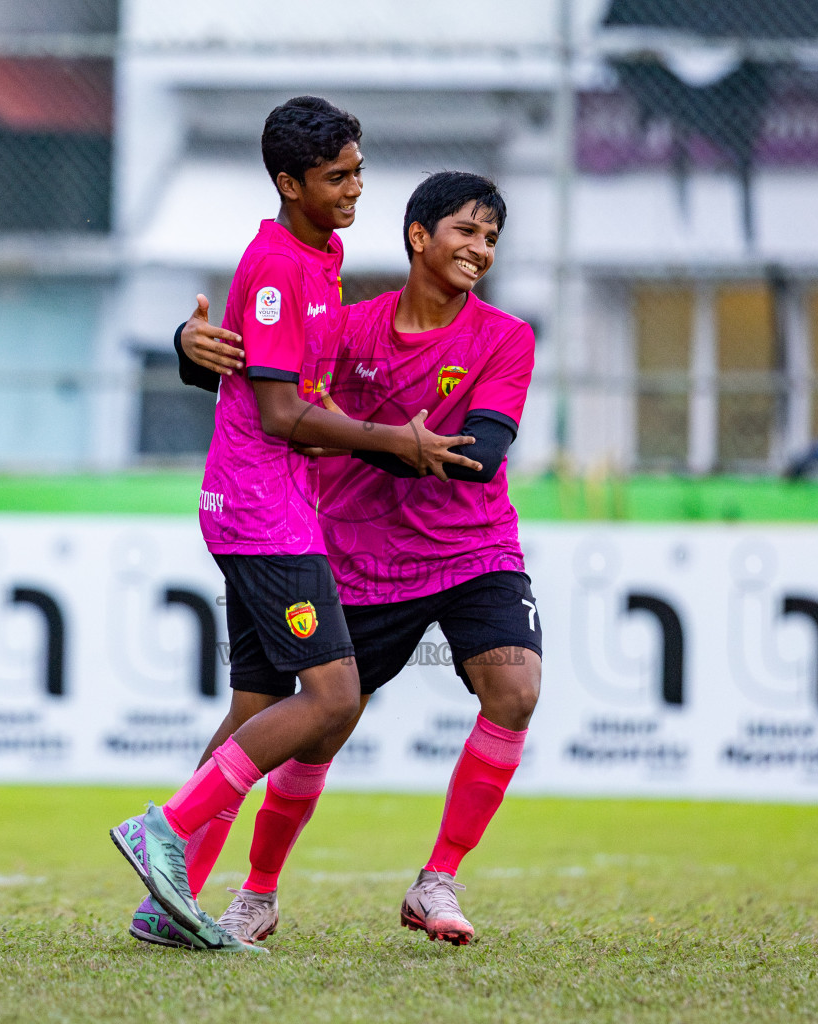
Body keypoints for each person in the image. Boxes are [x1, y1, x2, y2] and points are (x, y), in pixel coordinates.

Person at [108, 99, 480, 955]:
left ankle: (170, 900)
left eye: (358, 171)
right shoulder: (277, 267)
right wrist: (394, 440)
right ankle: (163, 825)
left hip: (273, 506)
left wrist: (192, 344)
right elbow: (279, 412)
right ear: (288, 183)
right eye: (337, 176)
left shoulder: (326, 252)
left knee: (255, 707)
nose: (356, 189)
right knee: (333, 696)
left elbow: (271, 375)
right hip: (261, 510)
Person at [153, 171, 541, 949]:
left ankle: (438, 878)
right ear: (418, 236)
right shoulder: (348, 329)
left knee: (516, 687)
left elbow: (483, 454)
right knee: (320, 727)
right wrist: (190, 351)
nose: (481, 249)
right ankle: (255, 895)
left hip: (475, 548)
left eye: (492, 237)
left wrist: (371, 440)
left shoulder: (506, 338)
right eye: (467, 231)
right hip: (359, 556)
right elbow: (269, 383)